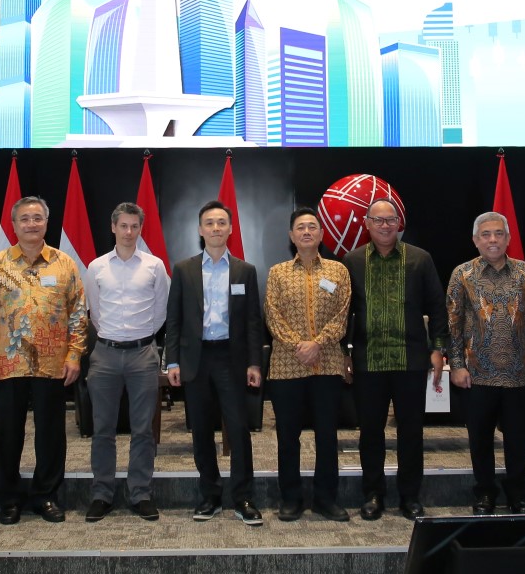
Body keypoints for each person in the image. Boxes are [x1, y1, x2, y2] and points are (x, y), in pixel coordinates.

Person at [0, 196, 88, 525]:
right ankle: (8, 498)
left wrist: (74, 354)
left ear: (46, 223)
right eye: (24, 218)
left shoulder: (64, 263)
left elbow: (79, 314)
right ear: (14, 225)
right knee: (7, 434)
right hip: (7, 363)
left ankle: (46, 495)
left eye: (37, 218)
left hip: (53, 364)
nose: (31, 224)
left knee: (51, 434)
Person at [343, 198, 448, 521]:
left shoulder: (419, 258)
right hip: (368, 361)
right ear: (367, 224)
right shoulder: (352, 261)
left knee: (411, 432)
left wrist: (438, 348)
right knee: (370, 432)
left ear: (399, 224)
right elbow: (344, 313)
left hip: (411, 359)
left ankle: (409, 496)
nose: (385, 225)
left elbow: (438, 306)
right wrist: (344, 352)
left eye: (390, 220)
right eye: (378, 220)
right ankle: (373, 494)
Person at [165, 200, 265, 526]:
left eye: (222, 222)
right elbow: (174, 319)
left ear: (231, 229)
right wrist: (172, 362)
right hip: (195, 359)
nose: (216, 228)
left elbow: (253, 322)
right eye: (209, 223)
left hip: (231, 359)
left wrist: (254, 363)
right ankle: (209, 495)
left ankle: (243, 497)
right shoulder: (184, 269)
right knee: (201, 431)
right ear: (200, 229)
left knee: (238, 430)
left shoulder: (245, 270)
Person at [447, 212, 525, 515]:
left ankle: (517, 494)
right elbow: (453, 323)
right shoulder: (462, 274)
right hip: (477, 373)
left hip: (519, 373)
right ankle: (485, 494)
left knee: (519, 439)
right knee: (479, 439)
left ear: (508, 238)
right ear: (475, 240)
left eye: (499, 234)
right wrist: (457, 364)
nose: (493, 240)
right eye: (486, 234)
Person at [264, 207, 353, 522]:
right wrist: (298, 346)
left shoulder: (338, 271)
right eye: (300, 227)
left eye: (312, 227)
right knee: (288, 436)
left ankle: (326, 499)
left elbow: (342, 315)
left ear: (321, 234)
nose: (306, 232)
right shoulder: (277, 273)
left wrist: (317, 344)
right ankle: (291, 498)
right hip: (286, 366)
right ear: (291, 235)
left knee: (327, 435)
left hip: (326, 364)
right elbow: (272, 314)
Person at [83, 201, 169, 523]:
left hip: (143, 354)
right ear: (113, 227)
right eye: (123, 226)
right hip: (105, 354)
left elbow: (160, 311)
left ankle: (140, 493)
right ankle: (102, 494)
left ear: (140, 228)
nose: (129, 232)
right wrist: (114, 336)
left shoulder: (154, 266)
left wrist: (139, 336)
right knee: (102, 428)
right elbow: (94, 311)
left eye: (134, 226)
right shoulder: (96, 267)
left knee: (143, 429)